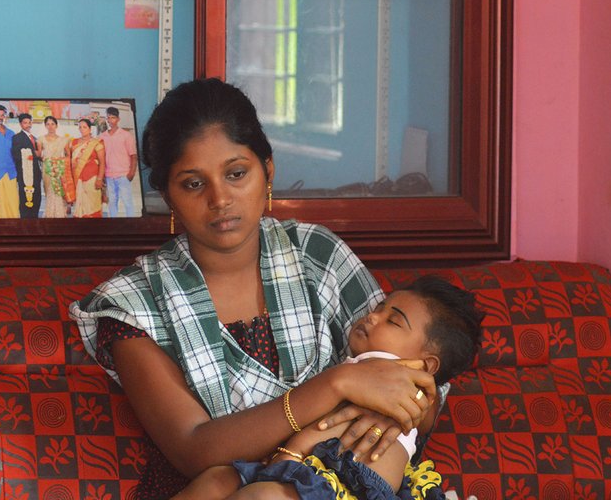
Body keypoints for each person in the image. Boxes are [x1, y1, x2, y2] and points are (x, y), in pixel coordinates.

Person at [69, 78, 436, 499]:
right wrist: (337, 385)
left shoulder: (319, 255)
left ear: (268, 171)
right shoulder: (134, 303)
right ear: (168, 197)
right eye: (193, 183)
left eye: (236, 173)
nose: (219, 198)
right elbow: (192, 448)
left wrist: (397, 413)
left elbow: (420, 382)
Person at [178, 276, 484, 499]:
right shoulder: (374, 376)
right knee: (216, 479)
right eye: (379, 307)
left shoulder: (376, 375)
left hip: (344, 488)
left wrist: (286, 456)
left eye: (393, 321)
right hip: (318, 474)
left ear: (428, 365)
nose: (372, 316)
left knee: (260, 496)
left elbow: (325, 428)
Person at [100, 106, 139, 217]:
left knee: (127, 202)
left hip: (123, 175)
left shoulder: (126, 135)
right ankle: (113, 227)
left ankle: (131, 226)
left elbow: (133, 156)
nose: (110, 120)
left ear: (118, 119)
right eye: (108, 118)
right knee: (112, 203)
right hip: (109, 175)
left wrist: (131, 173)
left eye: (113, 117)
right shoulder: (102, 137)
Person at [38, 116, 74, 218]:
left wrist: (59, 161)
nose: (50, 126)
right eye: (48, 124)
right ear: (45, 126)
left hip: (59, 169)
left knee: (59, 191)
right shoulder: (41, 139)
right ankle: (49, 214)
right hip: (47, 169)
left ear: (56, 125)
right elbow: (39, 155)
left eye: (52, 124)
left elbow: (68, 155)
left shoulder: (63, 140)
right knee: (48, 190)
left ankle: (60, 213)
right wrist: (44, 159)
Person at [69, 118, 106, 218]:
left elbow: (102, 163)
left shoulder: (97, 142)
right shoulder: (74, 142)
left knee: (93, 206)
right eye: (80, 127)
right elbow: (69, 161)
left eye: (84, 127)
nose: (81, 129)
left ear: (90, 129)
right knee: (80, 206)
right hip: (77, 178)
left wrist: (99, 179)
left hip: (92, 178)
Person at [11, 113, 43, 218]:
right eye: (25, 123)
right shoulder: (17, 137)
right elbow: (16, 155)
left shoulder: (34, 138)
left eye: (30, 122)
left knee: (37, 198)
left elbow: (39, 155)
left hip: (36, 174)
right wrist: (34, 154)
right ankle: (26, 224)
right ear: (20, 124)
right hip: (25, 174)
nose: (28, 125)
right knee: (26, 200)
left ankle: (34, 220)